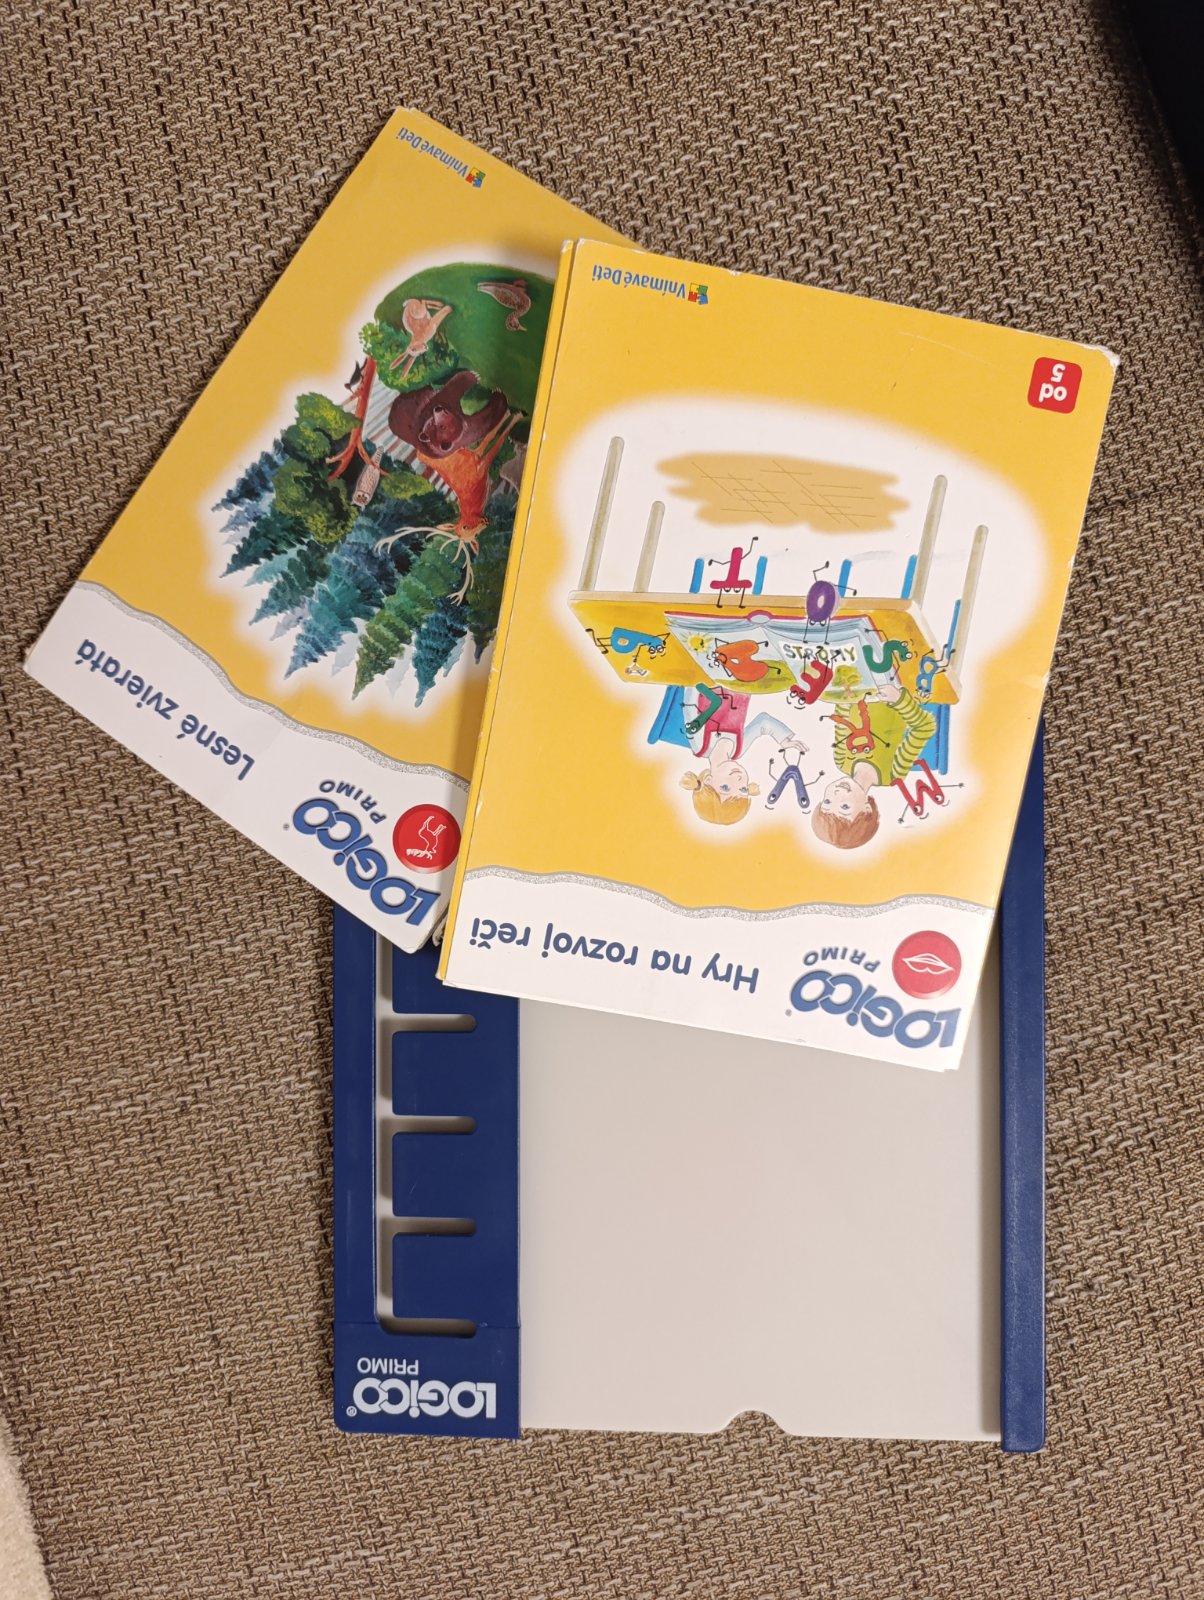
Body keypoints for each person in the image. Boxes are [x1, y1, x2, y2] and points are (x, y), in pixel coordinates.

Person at [811, 680, 935, 849]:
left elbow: (842, 714)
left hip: (862, 682)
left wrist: (845, 691)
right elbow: (925, 727)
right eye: (844, 806)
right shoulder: (893, 774)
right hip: (903, 682)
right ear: (867, 809)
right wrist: (899, 700)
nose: (837, 794)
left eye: (827, 802)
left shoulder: (841, 760)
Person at [680, 683, 805, 826]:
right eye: (743, 789)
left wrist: (698, 680)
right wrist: (783, 740)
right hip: (741, 682)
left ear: (708, 780)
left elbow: (689, 705)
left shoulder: (700, 745)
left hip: (709, 679)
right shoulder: (739, 749)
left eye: (725, 787)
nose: (739, 779)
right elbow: (763, 721)